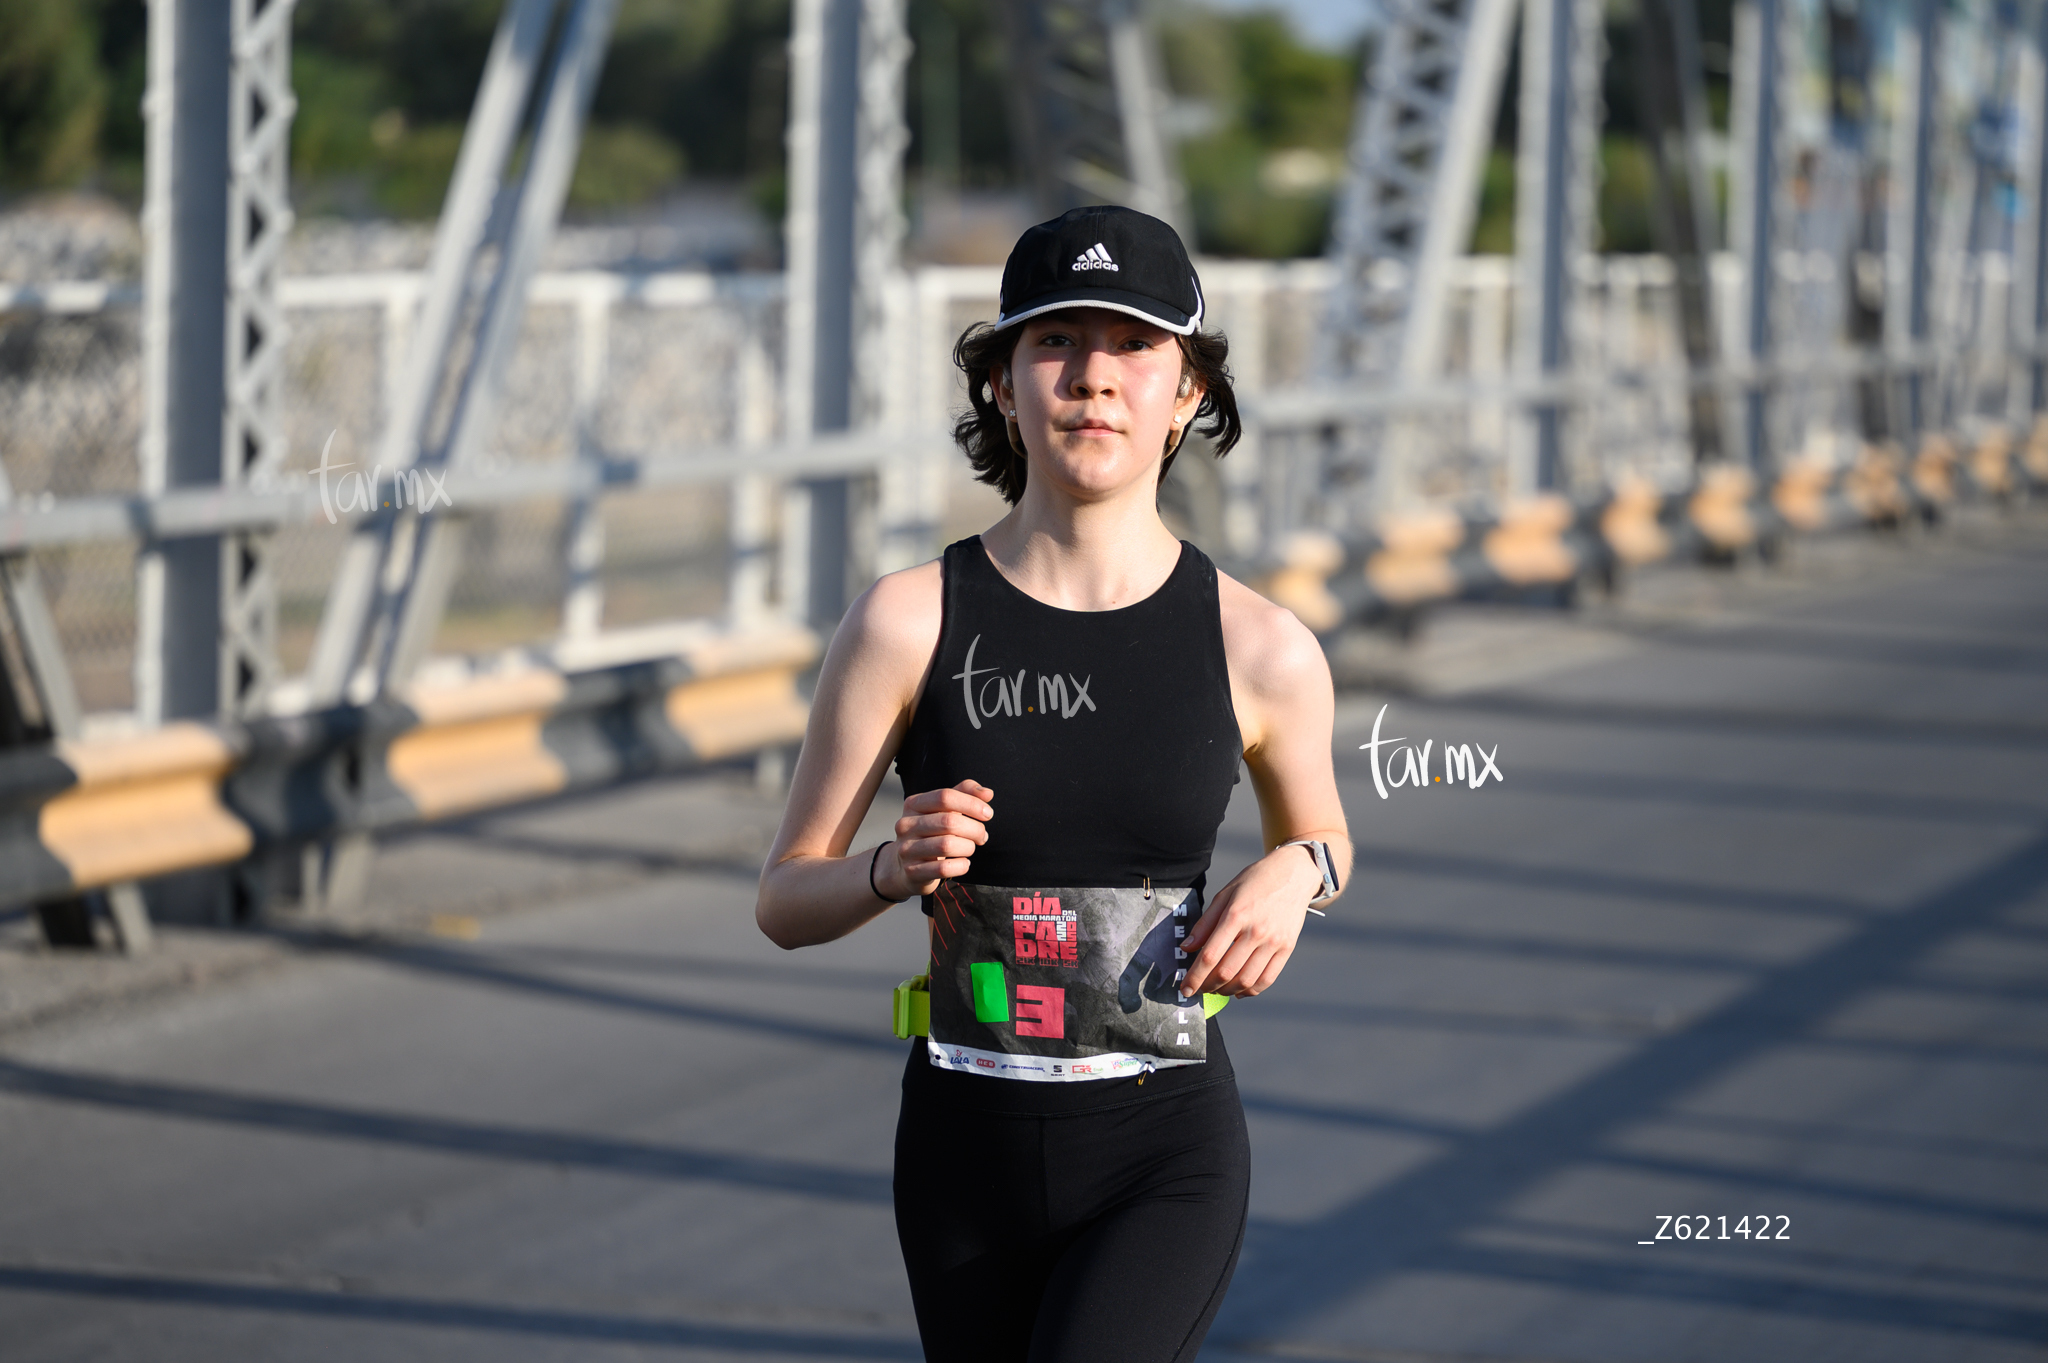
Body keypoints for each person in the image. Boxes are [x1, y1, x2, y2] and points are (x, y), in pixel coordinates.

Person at [756, 204, 1353, 1363]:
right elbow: (784, 900)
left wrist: (1297, 870)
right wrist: (885, 868)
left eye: (1133, 348)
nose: (1093, 378)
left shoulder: (1261, 645)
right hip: (958, 1147)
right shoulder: (906, 618)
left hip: (1161, 1147)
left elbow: (1326, 837)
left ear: (1187, 393)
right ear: (1000, 384)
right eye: (1054, 343)